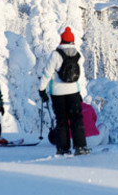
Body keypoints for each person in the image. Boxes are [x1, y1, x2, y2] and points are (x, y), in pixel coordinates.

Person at [39, 27, 89, 155]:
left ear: (61, 40)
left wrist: (42, 89)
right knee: (76, 119)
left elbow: (47, 73)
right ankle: (80, 147)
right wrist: (79, 93)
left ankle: (63, 148)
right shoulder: (78, 55)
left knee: (61, 120)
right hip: (73, 92)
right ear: (72, 41)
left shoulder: (55, 55)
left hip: (57, 93)